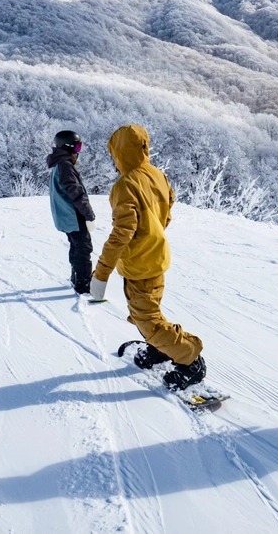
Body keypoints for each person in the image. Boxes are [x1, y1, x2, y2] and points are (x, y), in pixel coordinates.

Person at [89, 124, 206, 390]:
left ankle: (190, 359)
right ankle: (161, 349)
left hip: (140, 265)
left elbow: (122, 234)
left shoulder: (125, 185)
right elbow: (168, 206)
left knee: (148, 320)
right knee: (146, 310)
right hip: (155, 258)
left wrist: (101, 273)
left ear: (120, 153)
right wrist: (155, 233)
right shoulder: (157, 175)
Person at [47, 129, 96, 295]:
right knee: (83, 248)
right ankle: (84, 286)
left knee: (76, 246)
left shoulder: (59, 165)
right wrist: (89, 215)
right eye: (76, 148)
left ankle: (76, 278)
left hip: (67, 216)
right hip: (73, 215)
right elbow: (76, 193)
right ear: (67, 147)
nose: (78, 152)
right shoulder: (65, 166)